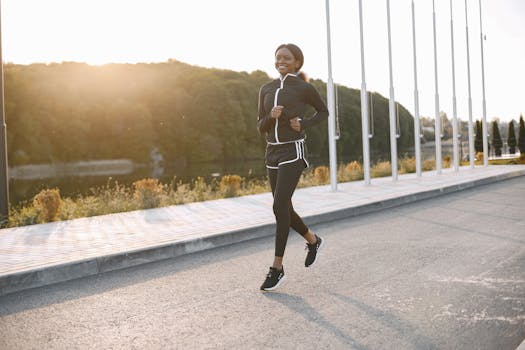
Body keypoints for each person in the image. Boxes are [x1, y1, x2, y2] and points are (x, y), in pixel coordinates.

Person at [257, 43, 329, 291]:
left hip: (293, 150)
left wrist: (304, 123)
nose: (281, 61)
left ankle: (277, 268)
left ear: (297, 62)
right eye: (278, 58)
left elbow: (323, 112)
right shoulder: (266, 88)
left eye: (286, 58)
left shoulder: (303, 87)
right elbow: (260, 126)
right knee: (284, 207)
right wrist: (271, 117)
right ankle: (313, 239)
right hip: (272, 152)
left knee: (278, 206)